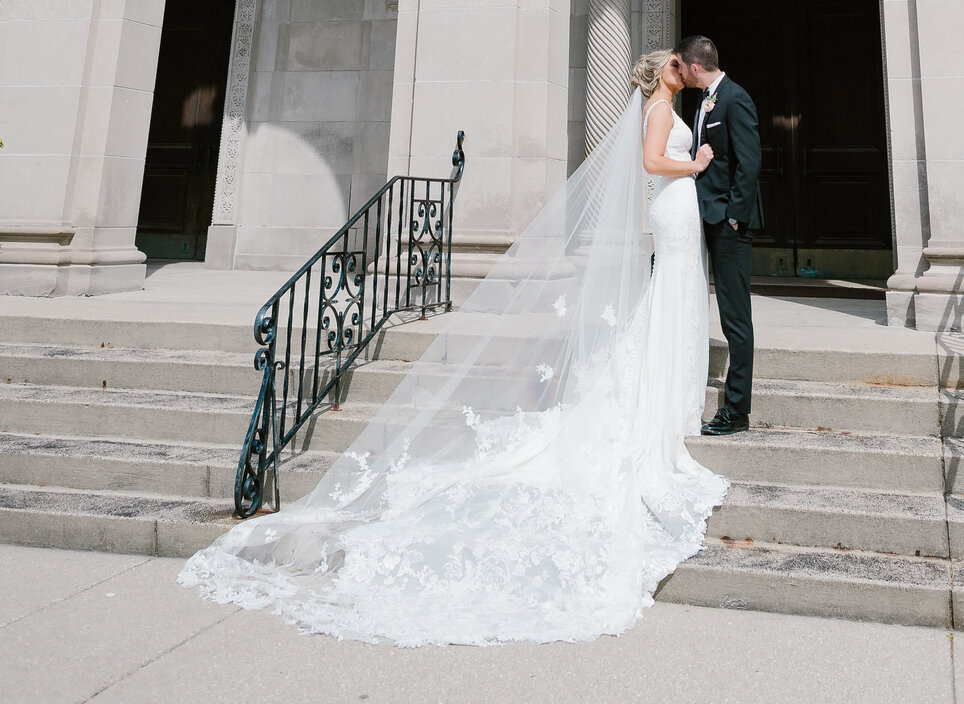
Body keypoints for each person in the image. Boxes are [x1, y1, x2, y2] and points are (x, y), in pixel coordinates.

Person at [180, 50, 726, 647]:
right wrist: (695, 164)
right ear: (662, 71)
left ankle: (670, 398)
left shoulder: (673, 105)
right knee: (667, 298)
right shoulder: (655, 110)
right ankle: (661, 406)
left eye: (682, 61)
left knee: (670, 303)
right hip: (674, 203)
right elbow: (652, 161)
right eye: (674, 61)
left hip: (678, 212)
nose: (681, 65)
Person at [674, 34, 763, 435]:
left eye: (682, 67)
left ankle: (736, 410)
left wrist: (733, 217)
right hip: (704, 216)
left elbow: (749, 162)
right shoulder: (705, 99)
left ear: (694, 67)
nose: (681, 74)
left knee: (735, 318)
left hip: (728, 223)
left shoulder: (735, 98)